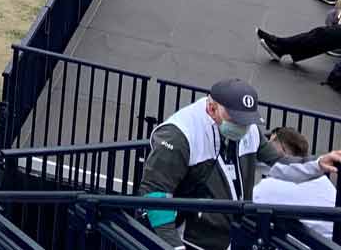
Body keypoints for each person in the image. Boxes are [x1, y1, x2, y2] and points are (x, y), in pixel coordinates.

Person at [137, 78, 341, 250]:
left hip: (229, 234)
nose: (242, 126)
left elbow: (279, 164)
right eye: (235, 119)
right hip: (190, 239)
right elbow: (154, 197)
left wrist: (318, 164)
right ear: (211, 108)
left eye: (246, 120)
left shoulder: (248, 129)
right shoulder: (179, 135)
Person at [254, 127, 337, 241]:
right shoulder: (322, 179)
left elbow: (246, 206)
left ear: (283, 150)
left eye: (271, 141)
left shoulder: (270, 185)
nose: (267, 145)